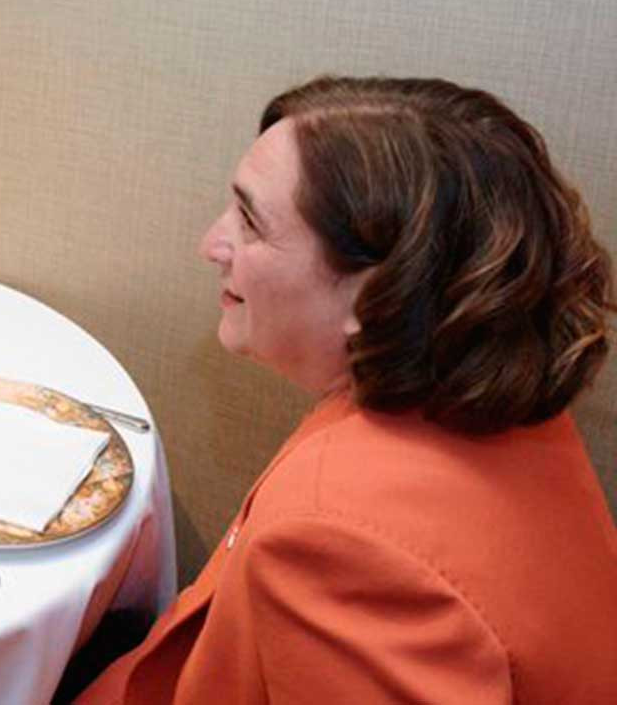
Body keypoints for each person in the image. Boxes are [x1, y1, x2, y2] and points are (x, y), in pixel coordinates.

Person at [76, 77, 617, 703]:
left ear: (379, 293)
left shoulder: (345, 551)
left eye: (251, 223)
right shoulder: (494, 397)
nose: (211, 245)